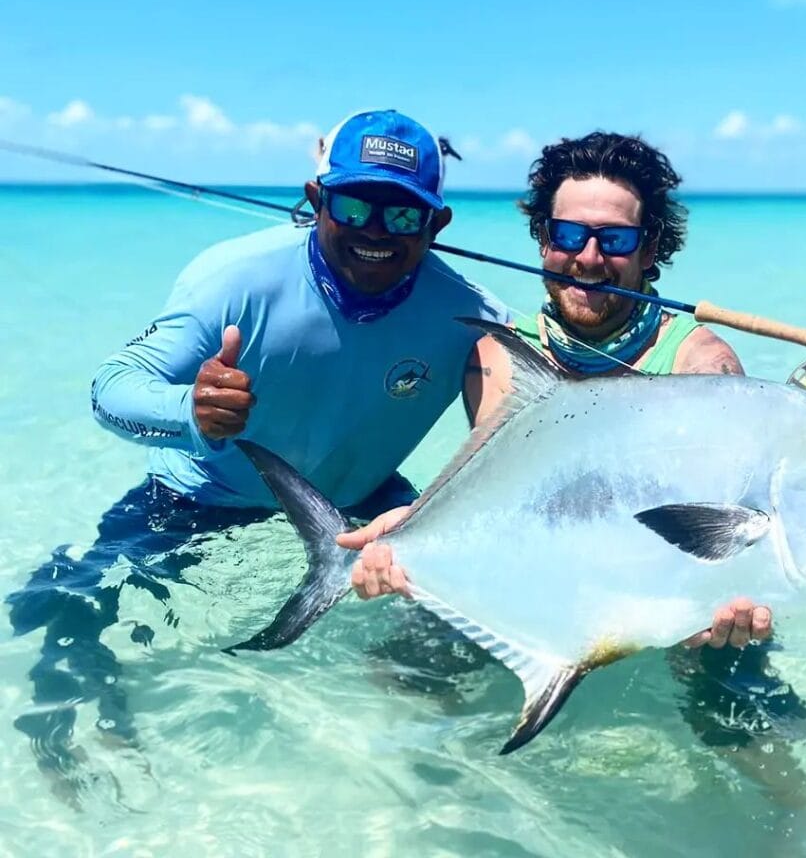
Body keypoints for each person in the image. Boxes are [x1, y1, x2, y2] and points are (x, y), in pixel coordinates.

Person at [6, 109, 508, 796]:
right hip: (200, 494)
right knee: (76, 602)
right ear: (315, 198)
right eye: (354, 204)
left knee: (474, 607)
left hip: (362, 500)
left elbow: (515, 434)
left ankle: (426, 761)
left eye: (402, 216)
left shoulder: (472, 315)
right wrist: (191, 410)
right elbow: (112, 388)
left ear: (437, 225)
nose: (374, 231)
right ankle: (70, 724)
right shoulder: (236, 278)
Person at [341, 132, 806, 785]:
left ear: (649, 250)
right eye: (568, 235)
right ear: (543, 240)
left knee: (751, 728)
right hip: (544, 575)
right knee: (401, 676)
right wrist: (407, 545)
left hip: (666, 591)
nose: (589, 257)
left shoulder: (698, 364)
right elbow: (491, 485)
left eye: (615, 240)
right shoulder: (501, 352)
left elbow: (718, 529)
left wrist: (728, 602)